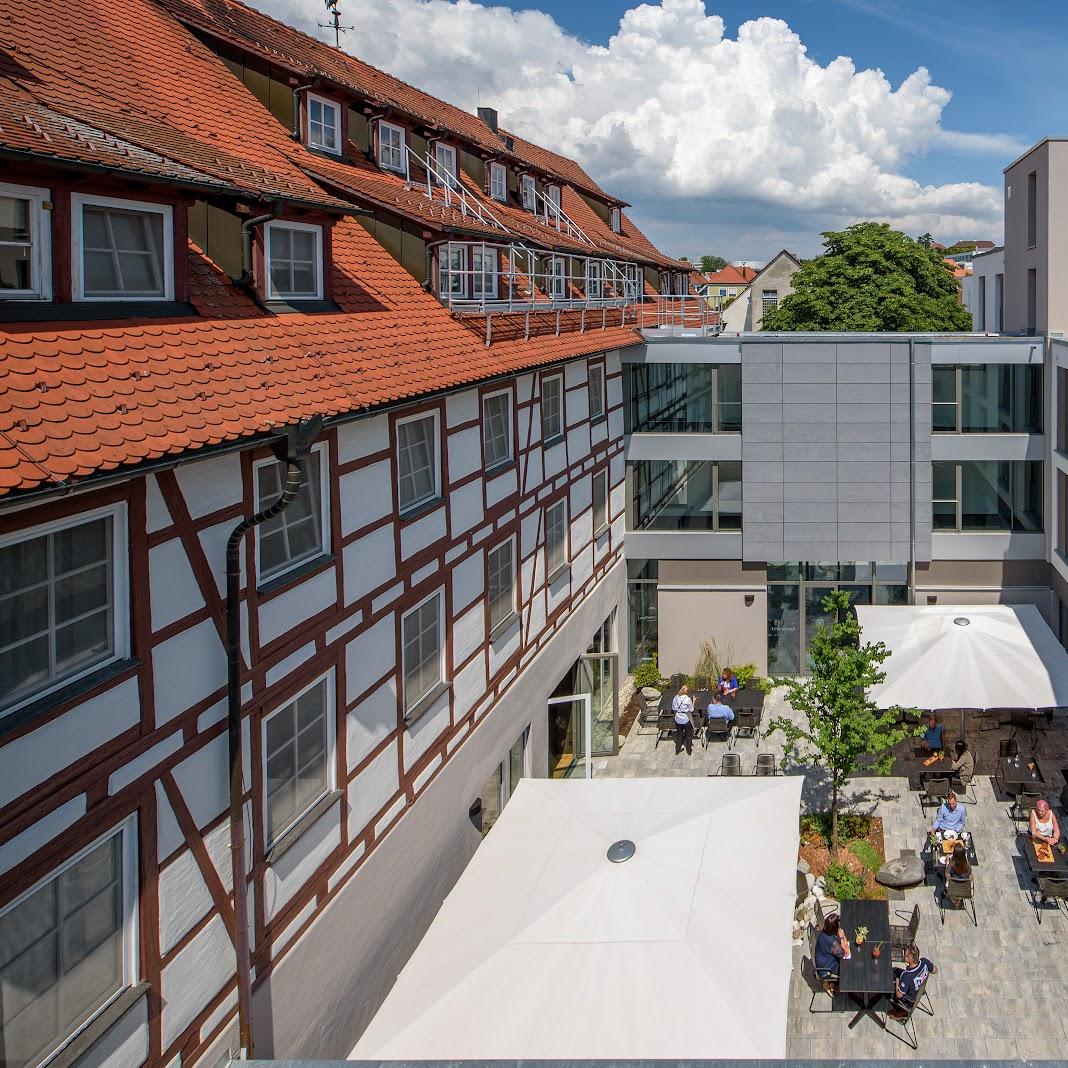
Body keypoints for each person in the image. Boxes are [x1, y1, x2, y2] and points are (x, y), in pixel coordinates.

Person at [888, 943, 937, 1020]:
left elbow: (899, 995)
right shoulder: (924, 962)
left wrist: (897, 981)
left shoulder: (906, 976)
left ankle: (902, 1012)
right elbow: (935, 970)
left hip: (909, 1000)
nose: (904, 955)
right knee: (895, 971)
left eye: (905, 954)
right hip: (919, 990)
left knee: (888, 990)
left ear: (910, 959)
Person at [813, 912, 849, 989]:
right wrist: (842, 937)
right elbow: (844, 954)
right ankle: (841, 985)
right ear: (835, 928)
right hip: (827, 968)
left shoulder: (824, 932)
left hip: (823, 958)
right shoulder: (832, 942)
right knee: (848, 966)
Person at [671, 685, 695, 755]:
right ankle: (689, 751)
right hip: (686, 719)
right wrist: (693, 701)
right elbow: (691, 710)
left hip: (678, 719)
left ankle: (677, 750)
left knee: (679, 735)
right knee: (688, 735)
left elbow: (674, 708)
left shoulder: (676, 697)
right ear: (686, 692)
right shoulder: (688, 699)